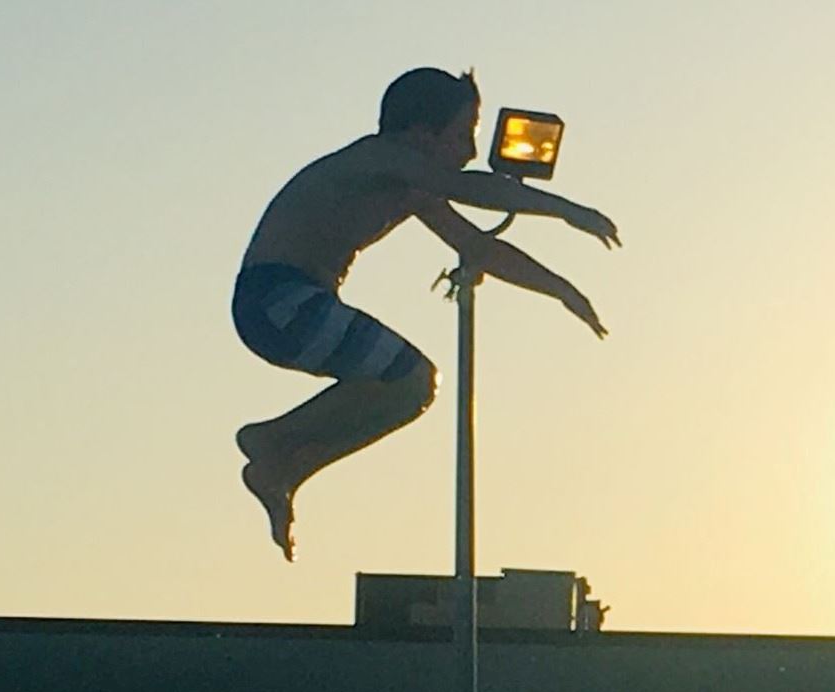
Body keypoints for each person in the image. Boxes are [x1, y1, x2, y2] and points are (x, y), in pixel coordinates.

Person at [231, 68, 618, 560]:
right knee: (411, 379)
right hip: (277, 302)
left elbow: (477, 247)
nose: (471, 151)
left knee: (409, 391)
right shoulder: (377, 156)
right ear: (420, 131)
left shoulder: (408, 185)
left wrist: (561, 289)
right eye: (463, 134)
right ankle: (271, 440)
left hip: (289, 309)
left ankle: (287, 467)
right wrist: (567, 209)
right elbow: (473, 188)